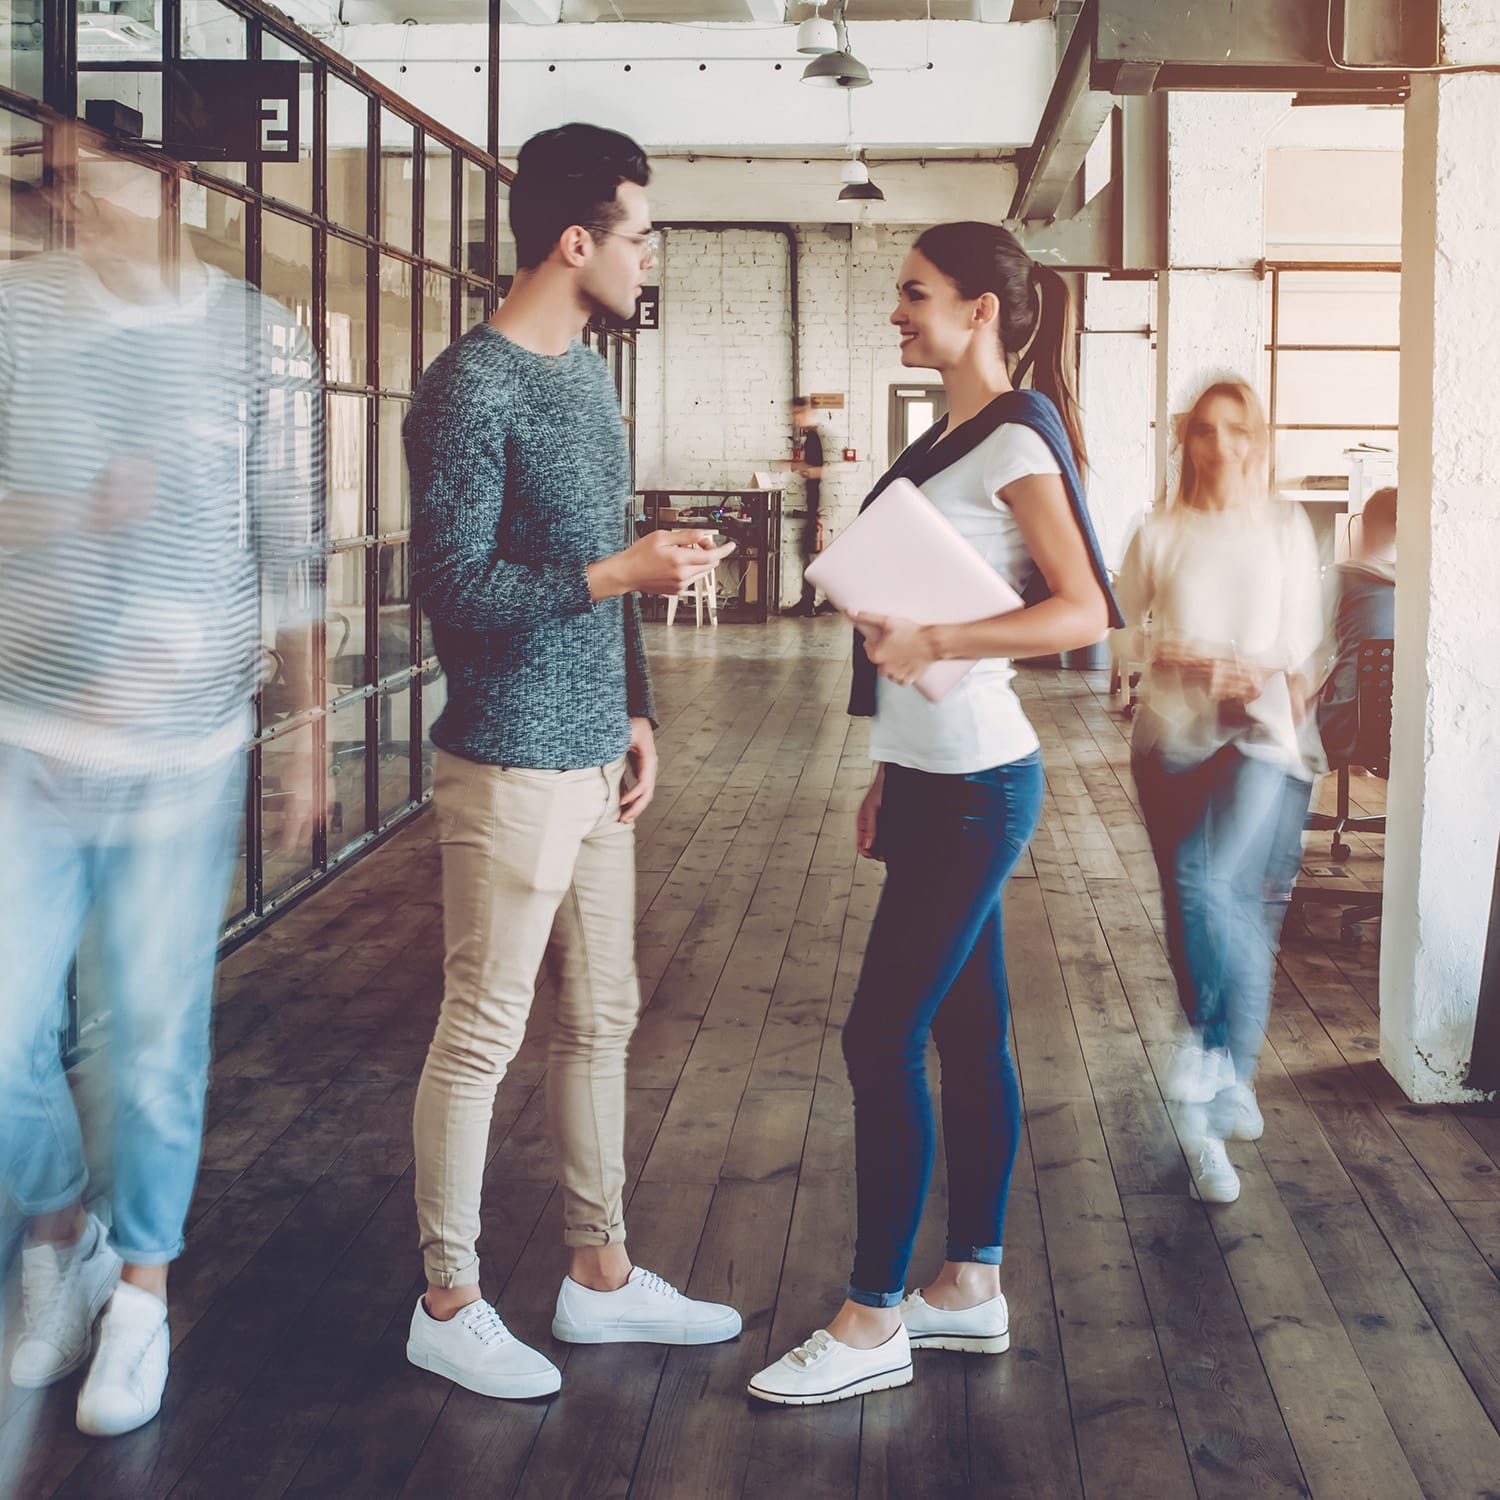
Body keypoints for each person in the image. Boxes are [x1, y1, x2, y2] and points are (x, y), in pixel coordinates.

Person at [749, 222, 1119, 1407]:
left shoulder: (1015, 436)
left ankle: (870, 1322)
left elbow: (1084, 612)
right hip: (929, 779)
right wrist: (882, 773)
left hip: (977, 785)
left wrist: (947, 640)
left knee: (878, 1040)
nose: (897, 314)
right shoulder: (950, 435)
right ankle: (969, 1287)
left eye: (915, 296)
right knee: (965, 1035)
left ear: (980, 311)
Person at [403, 122, 742, 1402]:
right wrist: (618, 571)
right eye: (641, 235)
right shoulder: (470, 385)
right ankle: (448, 1298)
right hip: (505, 760)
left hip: (597, 751)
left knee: (604, 1018)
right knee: (483, 1029)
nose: (650, 258)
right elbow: (451, 587)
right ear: (576, 239)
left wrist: (639, 705)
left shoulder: (590, 380)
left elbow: (605, 569)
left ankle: (597, 1279)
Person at [0, 143, 322, 1437]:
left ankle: (142, 1294)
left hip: (184, 753)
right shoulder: (16, 316)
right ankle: (60, 1231)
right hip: (24, 738)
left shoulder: (256, 335)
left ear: (173, 184)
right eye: (56, 174)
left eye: (101, 173)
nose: (74, 195)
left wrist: (308, 734)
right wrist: (68, 516)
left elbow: (289, 540)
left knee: (151, 1046)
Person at [1112, 379, 1324, 1206]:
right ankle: (1234, 1078)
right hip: (1170, 736)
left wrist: (1256, 667)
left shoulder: (1283, 528)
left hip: (1259, 736)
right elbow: (1121, 621)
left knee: (1215, 889)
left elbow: (1300, 638)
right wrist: (1172, 654)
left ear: (1257, 439)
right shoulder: (1160, 531)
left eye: (1238, 431)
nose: (1222, 446)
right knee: (1198, 905)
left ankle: (1208, 1052)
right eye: (1206, 431)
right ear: (1188, 441)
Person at [1316, 485, 1396, 766]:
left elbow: (1312, 648)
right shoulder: (1429, 587)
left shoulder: (1343, 578)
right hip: (1404, 723)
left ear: (1366, 527)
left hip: (1348, 723)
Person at [789, 397, 830, 616]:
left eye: (797, 413)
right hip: (811, 503)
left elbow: (818, 470)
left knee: (808, 555)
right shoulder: (810, 437)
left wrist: (799, 466)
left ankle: (811, 602)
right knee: (806, 554)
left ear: (806, 413)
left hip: (814, 504)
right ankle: (810, 601)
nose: (794, 418)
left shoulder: (813, 437)